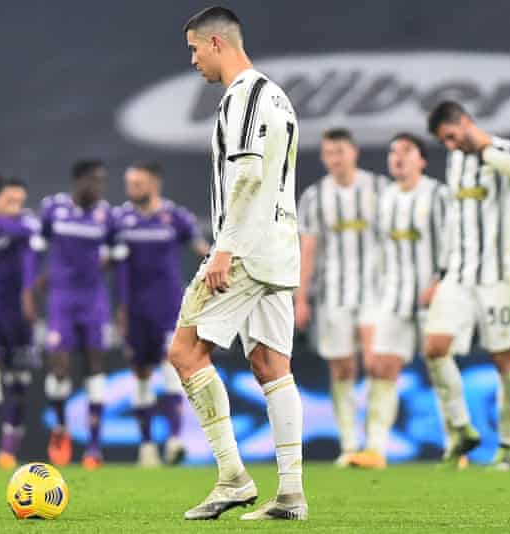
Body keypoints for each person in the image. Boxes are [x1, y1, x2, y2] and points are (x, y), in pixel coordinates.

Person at [169, 6, 306, 520]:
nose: (193, 60)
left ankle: (232, 476)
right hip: (278, 250)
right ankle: (291, 494)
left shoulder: (244, 96)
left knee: (185, 353)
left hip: (246, 249)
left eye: (194, 48)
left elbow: (246, 175)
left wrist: (224, 247)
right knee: (272, 367)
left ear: (217, 44)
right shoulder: (278, 96)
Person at [423, 100, 510, 471]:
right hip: (459, 274)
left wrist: (485, 147)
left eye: (452, 136)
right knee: (435, 347)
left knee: (503, 359)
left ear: (466, 122)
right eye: (445, 141)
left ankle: (507, 445)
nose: (451, 145)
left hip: (500, 277)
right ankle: (461, 429)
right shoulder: (455, 162)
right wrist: (441, 272)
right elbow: (457, 222)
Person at [347, 133, 461, 469]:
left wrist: (441, 280)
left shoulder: (437, 194)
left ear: (422, 160)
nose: (398, 156)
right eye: (393, 151)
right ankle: (375, 450)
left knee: (440, 370)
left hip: (433, 297)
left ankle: (457, 445)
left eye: (406, 151)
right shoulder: (385, 199)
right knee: (382, 368)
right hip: (393, 298)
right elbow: (378, 254)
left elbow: (454, 243)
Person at [295, 128, 388, 466]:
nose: (335, 159)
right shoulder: (315, 196)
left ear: (355, 152)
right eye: (329, 153)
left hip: (375, 291)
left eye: (340, 152)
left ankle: (376, 444)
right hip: (333, 293)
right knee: (343, 368)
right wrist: (301, 298)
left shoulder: (379, 189)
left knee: (377, 361)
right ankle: (350, 445)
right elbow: (308, 249)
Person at [112, 161, 209, 467]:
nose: (132, 190)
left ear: (154, 185)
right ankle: (147, 448)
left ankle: (175, 440)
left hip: (170, 307)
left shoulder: (176, 217)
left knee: (172, 368)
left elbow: (202, 250)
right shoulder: (121, 220)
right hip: (135, 310)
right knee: (141, 375)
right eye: (130, 183)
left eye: (138, 184)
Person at [38, 159, 115, 470]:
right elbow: (36, 249)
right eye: (95, 181)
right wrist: (35, 284)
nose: (99, 188)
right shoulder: (53, 209)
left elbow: (116, 257)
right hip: (61, 300)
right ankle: (60, 428)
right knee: (59, 366)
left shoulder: (106, 215)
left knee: (95, 367)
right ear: (80, 181)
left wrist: (98, 267)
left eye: (102, 181)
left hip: (94, 301)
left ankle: (94, 446)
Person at [0, 175, 44, 469]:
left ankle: (8, 450)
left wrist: (28, 294)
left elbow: (31, 262)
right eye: (10, 201)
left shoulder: (26, 225)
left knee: (18, 382)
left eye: (21, 201)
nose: (17, 207)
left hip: (19, 315)